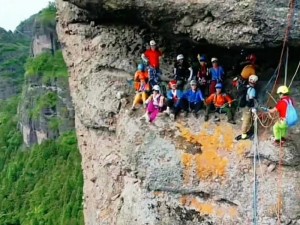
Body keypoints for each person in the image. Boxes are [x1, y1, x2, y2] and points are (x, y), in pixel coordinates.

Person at [235, 75, 258, 140]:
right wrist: (252, 107)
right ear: (255, 82)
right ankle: (244, 134)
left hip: (244, 106)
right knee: (246, 120)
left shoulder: (246, 86)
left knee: (247, 118)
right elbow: (251, 99)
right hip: (248, 107)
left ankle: (248, 130)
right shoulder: (252, 89)